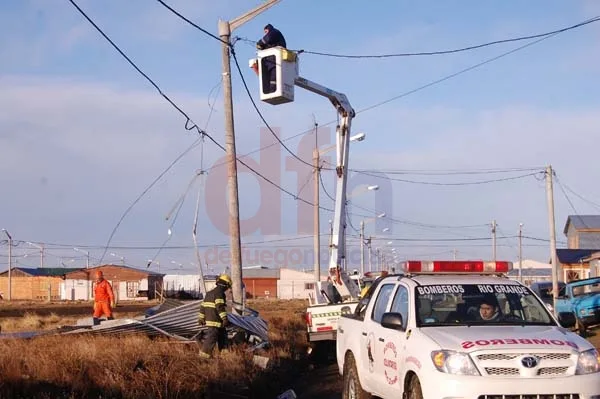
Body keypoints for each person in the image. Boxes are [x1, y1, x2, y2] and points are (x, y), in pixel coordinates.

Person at [198, 273, 232, 358]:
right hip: (215, 321)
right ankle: (203, 357)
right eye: (228, 286)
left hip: (213, 321)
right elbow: (220, 307)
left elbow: (203, 306)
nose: (228, 288)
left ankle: (225, 356)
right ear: (226, 284)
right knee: (211, 338)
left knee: (223, 338)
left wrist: (201, 318)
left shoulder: (209, 293)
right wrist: (224, 318)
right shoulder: (220, 293)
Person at [256, 24, 287, 94]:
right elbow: (268, 45)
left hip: (276, 61)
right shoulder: (273, 38)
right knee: (270, 76)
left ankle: (273, 91)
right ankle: (271, 90)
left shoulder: (274, 32)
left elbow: (266, 39)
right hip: (271, 61)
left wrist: (259, 43)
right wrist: (261, 47)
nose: (265, 33)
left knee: (274, 76)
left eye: (266, 32)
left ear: (268, 29)